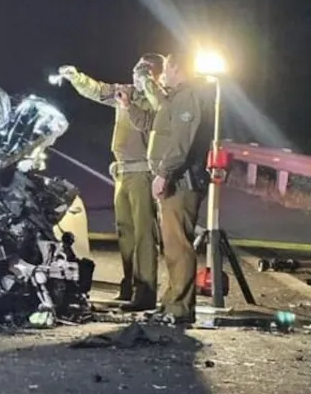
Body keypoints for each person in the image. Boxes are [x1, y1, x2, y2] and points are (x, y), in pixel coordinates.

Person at [57, 54, 163, 311]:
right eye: (136, 69)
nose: (136, 74)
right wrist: (75, 77)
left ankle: (146, 291)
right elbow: (98, 90)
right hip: (123, 173)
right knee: (125, 232)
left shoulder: (159, 98)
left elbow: (157, 114)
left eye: (144, 70)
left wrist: (145, 88)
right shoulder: (124, 92)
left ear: (154, 74)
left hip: (142, 173)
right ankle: (129, 287)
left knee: (143, 234)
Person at [146, 52, 215, 325]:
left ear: (177, 68)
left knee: (179, 246)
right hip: (178, 179)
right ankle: (172, 302)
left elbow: (180, 143)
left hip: (182, 181)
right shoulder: (179, 96)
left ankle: (180, 309)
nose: (163, 74)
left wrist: (163, 174)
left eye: (166, 69)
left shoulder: (189, 97)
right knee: (172, 245)